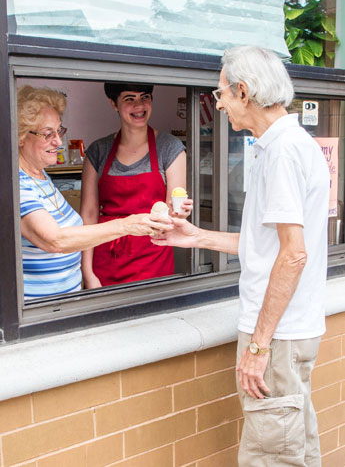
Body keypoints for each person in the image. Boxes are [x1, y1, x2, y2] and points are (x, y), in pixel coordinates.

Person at [153, 45, 330, 467]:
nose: (219, 105)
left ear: (245, 92)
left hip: (278, 335)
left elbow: (293, 256)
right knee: (295, 447)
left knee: (272, 456)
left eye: (221, 94)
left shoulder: (282, 153)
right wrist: (196, 238)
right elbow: (265, 246)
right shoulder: (284, 145)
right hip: (292, 331)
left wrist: (258, 346)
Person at [18, 85, 172, 301]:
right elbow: (55, 240)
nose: (58, 142)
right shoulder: (17, 183)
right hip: (35, 307)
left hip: (64, 301)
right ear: (21, 136)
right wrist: (126, 225)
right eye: (47, 134)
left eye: (59, 130)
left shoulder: (42, 178)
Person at [80, 82, 192, 288]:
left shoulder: (169, 148)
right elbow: (88, 214)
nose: (139, 106)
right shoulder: (98, 151)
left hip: (153, 258)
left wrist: (181, 213)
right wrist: (87, 271)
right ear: (113, 104)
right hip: (106, 257)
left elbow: (173, 209)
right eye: (129, 99)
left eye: (145, 97)